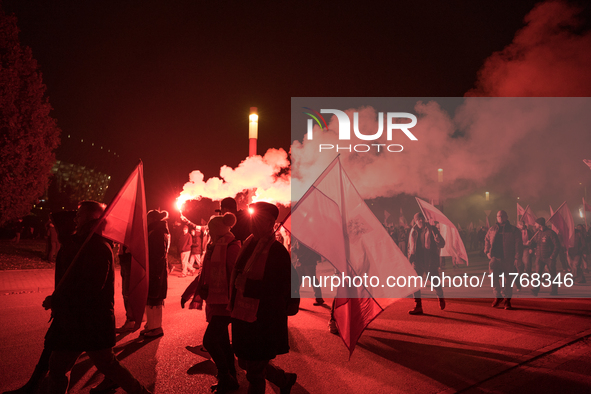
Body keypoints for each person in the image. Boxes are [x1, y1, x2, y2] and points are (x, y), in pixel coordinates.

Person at [45, 201, 151, 394]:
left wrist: (57, 301)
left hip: (92, 323)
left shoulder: (98, 247)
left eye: (80, 213)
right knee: (58, 366)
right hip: (74, 322)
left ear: (92, 217)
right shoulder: (81, 244)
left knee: (108, 365)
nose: (76, 217)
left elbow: (90, 289)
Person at [2, 211, 77, 394]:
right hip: (65, 313)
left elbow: (76, 286)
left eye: (57, 226)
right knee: (51, 351)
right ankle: (33, 386)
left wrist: (56, 300)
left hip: (75, 317)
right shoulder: (68, 246)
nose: (55, 231)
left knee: (103, 360)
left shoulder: (75, 249)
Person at [228, 202, 297, 394]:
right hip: (242, 316)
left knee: (255, 374)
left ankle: (277, 382)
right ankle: (284, 380)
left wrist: (248, 286)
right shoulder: (248, 244)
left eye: (258, 220)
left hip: (263, 320)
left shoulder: (277, 252)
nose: (253, 224)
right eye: (252, 219)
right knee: (245, 361)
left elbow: (280, 288)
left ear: (270, 223)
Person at [183, 212, 241, 393]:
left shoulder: (232, 247)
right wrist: (189, 293)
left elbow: (236, 275)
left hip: (226, 303)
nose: (208, 231)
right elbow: (204, 275)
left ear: (217, 230)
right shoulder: (213, 246)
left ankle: (225, 377)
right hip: (215, 303)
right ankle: (231, 380)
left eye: (210, 228)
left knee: (209, 341)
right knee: (223, 344)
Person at [407, 212, 446, 315]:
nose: (420, 221)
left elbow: (442, 243)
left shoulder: (432, 229)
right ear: (415, 221)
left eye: (421, 219)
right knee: (415, 284)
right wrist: (409, 260)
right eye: (418, 219)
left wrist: (438, 241)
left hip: (430, 261)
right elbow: (409, 247)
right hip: (417, 262)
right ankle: (418, 306)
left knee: (435, 282)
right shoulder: (412, 231)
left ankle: (440, 296)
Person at [141, 209, 170, 337]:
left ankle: (156, 328)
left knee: (155, 299)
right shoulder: (156, 231)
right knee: (151, 299)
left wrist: (151, 268)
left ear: (152, 219)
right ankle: (151, 326)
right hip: (153, 269)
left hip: (156, 270)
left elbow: (158, 254)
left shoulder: (158, 232)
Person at [484, 210, 522, 309]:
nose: (500, 217)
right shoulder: (492, 229)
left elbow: (518, 245)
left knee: (508, 281)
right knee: (493, 279)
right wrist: (487, 251)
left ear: (506, 217)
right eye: (498, 216)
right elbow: (487, 240)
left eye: (502, 216)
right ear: (496, 217)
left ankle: (507, 300)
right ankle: (498, 296)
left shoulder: (514, 230)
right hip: (494, 258)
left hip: (508, 259)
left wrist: (517, 258)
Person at [527, 217, 561, 296]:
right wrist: (530, 244)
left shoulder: (550, 233)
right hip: (539, 257)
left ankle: (554, 290)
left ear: (539, 224)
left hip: (549, 257)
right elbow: (536, 243)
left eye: (536, 223)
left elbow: (557, 245)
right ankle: (535, 289)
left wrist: (553, 256)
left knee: (552, 274)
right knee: (537, 274)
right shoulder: (537, 233)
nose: (534, 225)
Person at [294, 239, 324, 306]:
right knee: (298, 281)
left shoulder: (305, 239)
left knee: (311, 281)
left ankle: (319, 298)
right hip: (305, 263)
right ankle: (319, 298)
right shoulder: (302, 238)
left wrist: (297, 254)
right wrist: (296, 251)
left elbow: (307, 252)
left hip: (307, 264)